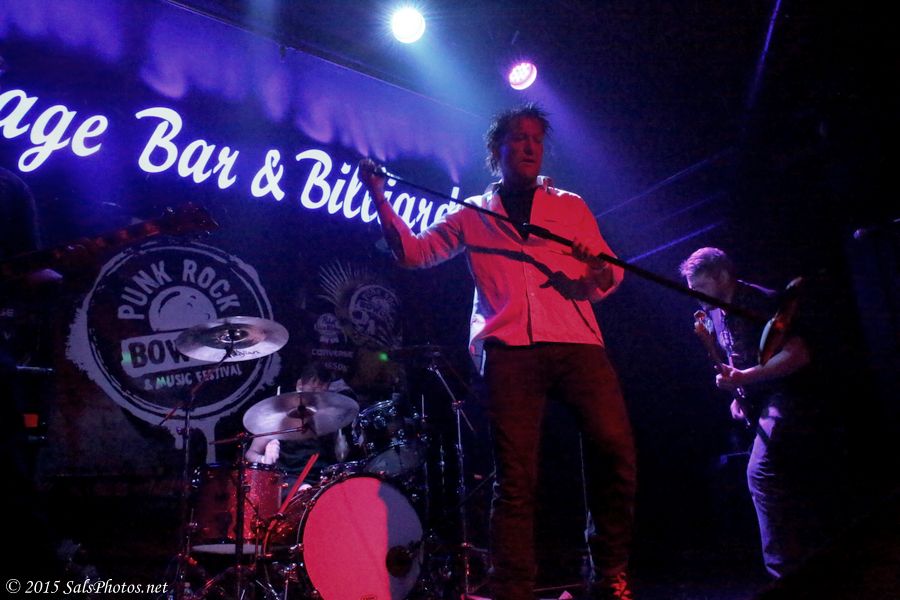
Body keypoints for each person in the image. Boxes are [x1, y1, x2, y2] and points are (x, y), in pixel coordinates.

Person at [360, 103, 637, 600]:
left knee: (613, 448)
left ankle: (609, 572)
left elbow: (610, 274)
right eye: (518, 138)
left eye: (536, 139)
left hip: (577, 342)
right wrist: (379, 197)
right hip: (509, 348)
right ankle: (514, 587)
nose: (529, 146)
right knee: (515, 475)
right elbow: (414, 254)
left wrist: (596, 268)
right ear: (497, 149)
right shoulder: (473, 212)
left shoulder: (570, 206)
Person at [679, 247, 841, 578]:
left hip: (790, 394)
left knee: (761, 473)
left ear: (723, 276)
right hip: (763, 400)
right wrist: (738, 393)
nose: (696, 296)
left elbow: (798, 354)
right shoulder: (715, 313)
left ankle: (783, 573)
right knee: (790, 481)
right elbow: (740, 356)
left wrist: (746, 378)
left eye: (702, 286)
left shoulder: (759, 301)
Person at [245, 362, 356, 491]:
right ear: (299, 385)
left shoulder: (329, 417)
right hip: (287, 479)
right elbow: (251, 453)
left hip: (321, 480)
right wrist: (264, 459)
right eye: (312, 390)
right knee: (305, 489)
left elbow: (339, 456)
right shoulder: (278, 415)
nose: (315, 396)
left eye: (322, 392)